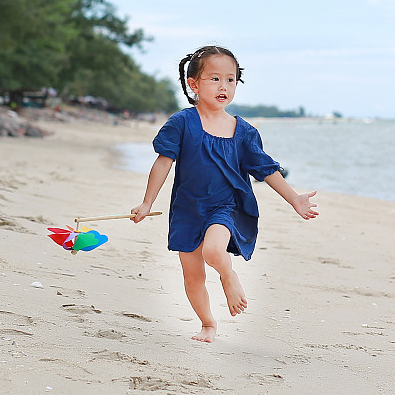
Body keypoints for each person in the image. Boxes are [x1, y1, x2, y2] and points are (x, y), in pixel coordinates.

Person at [131, 45, 318, 343]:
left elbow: (265, 169)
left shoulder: (243, 131)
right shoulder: (182, 123)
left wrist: (294, 198)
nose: (224, 86)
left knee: (215, 252)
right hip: (187, 209)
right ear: (194, 84)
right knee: (192, 277)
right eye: (214, 79)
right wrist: (147, 202)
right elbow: (163, 162)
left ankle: (229, 276)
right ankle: (207, 323)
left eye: (231, 80)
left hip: (226, 206)